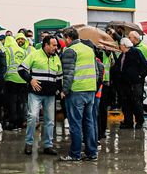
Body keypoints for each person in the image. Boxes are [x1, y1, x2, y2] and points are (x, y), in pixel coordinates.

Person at [59, 28, 103, 163]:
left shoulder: (70, 51)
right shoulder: (89, 49)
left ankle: (75, 154)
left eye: (63, 38)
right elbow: (97, 70)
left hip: (76, 91)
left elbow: (68, 74)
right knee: (89, 122)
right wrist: (93, 88)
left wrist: (64, 90)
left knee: (75, 123)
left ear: (68, 38)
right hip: (90, 90)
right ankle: (91, 152)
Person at [19, 35, 61, 155]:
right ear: (46, 45)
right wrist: (30, 80)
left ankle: (48, 145)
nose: (56, 47)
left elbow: (59, 77)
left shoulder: (56, 58)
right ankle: (29, 143)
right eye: (54, 45)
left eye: (56, 45)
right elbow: (21, 69)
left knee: (50, 121)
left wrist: (59, 91)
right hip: (35, 94)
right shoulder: (34, 55)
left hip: (50, 95)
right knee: (32, 117)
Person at [117, 31, 147, 129]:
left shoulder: (136, 52)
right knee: (126, 103)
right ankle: (128, 122)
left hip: (135, 84)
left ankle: (139, 121)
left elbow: (145, 67)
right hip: (125, 84)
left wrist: (140, 77)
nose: (119, 47)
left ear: (124, 45)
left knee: (136, 103)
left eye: (120, 45)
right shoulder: (122, 55)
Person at [2, 31, 27, 130]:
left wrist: (4, 78)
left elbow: (6, 65)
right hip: (23, 79)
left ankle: (13, 123)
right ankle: (21, 122)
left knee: (12, 102)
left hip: (11, 79)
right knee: (21, 102)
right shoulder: (23, 51)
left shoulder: (8, 50)